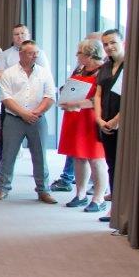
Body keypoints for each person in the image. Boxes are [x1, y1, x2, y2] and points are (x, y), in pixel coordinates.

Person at [0, 40, 57, 204]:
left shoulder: (44, 73)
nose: (35, 56)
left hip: (37, 119)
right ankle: (3, 188)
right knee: (8, 154)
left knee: (40, 156)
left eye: (36, 53)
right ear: (21, 54)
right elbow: (6, 98)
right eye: (31, 53)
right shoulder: (9, 73)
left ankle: (43, 190)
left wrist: (36, 112)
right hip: (14, 119)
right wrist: (23, 113)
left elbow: (50, 96)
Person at [56, 39, 108, 213]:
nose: (77, 56)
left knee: (96, 159)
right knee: (78, 156)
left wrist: (78, 103)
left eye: (79, 53)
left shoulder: (103, 70)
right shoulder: (80, 69)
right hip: (75, 117)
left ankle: (99, 198)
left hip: (92, 118)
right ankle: (80, 194)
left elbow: (103, 98)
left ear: (89, 55)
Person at [96, 29, 125, 227]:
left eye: (113, 42)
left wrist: (116, 120)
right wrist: (99, 119)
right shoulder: (106, 66)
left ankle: (124, 208)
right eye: (105, 44)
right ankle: (114, 208)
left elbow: (131, 97)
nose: (109, 47)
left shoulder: (130, 65)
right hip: (105, 122)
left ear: (122, 42)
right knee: (112, 164)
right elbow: (98, 94)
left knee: (124, 165)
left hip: (124, 123)